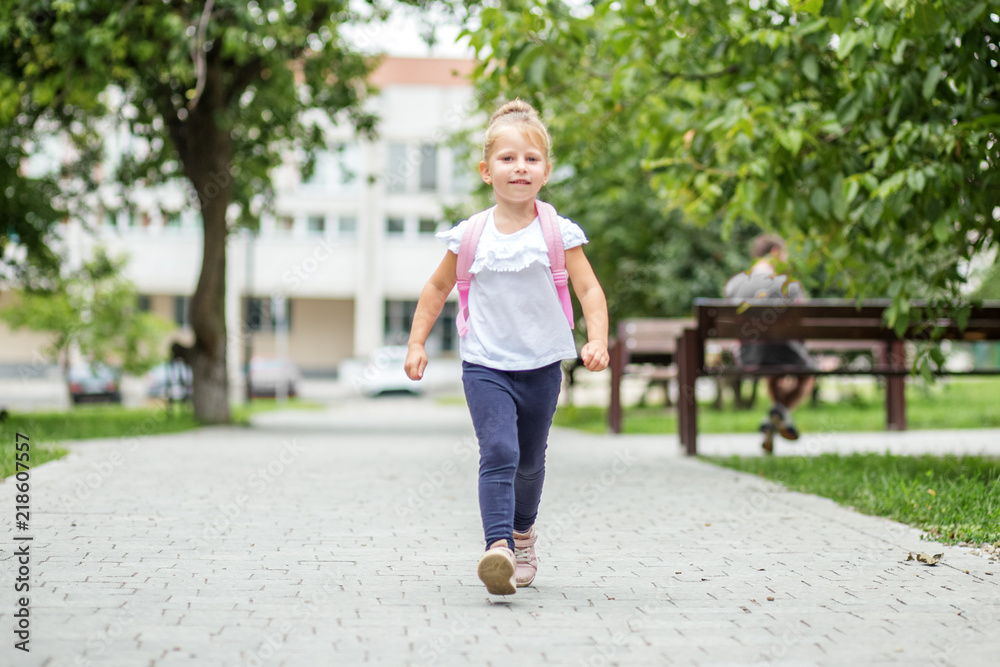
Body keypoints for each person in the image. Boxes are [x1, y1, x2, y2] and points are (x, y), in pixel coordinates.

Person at [404, 99, 610, 595]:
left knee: (530, 460)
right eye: (508, 158)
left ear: (546, 170)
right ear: (485, 170)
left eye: (531, 159)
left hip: (541, 364)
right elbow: (436, 290)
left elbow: (589, 290)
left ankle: (522, 535)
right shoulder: (470, 235)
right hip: (485, 364)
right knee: (498, 449)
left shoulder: (558, 233)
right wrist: (416, 343)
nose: (520, 167)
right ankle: (497, 548)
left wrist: (597, 338)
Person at [723, 234, 816, 454]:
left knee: (772, 370)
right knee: (807, 372)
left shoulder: (734, 284)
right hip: (787, 353)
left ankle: (773, 419)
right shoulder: (789, 286)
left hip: (748, 355)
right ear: (775, 253)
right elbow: (801, 326)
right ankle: (778, 412)